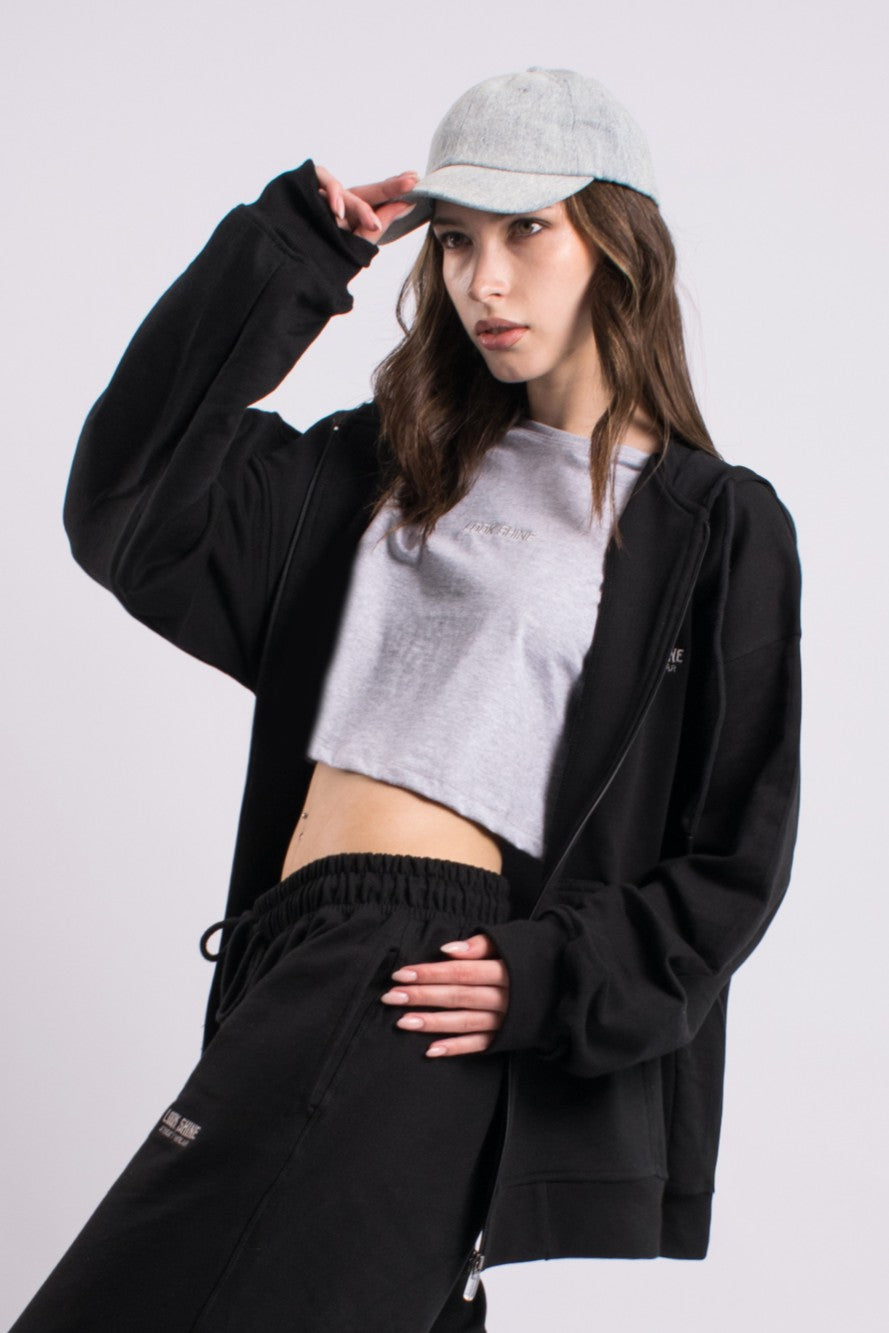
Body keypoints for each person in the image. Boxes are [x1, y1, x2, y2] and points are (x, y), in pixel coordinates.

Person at [11, 66, 802, 1332]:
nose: (484, 281)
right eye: (456, 240)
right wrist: (291, 255)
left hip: (418, 974)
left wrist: (553, 976)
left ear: (618, 242)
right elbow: (127, 510)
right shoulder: (374, 468)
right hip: (292, 950)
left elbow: (732, 854)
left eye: (527, 230)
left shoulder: (708, 525)